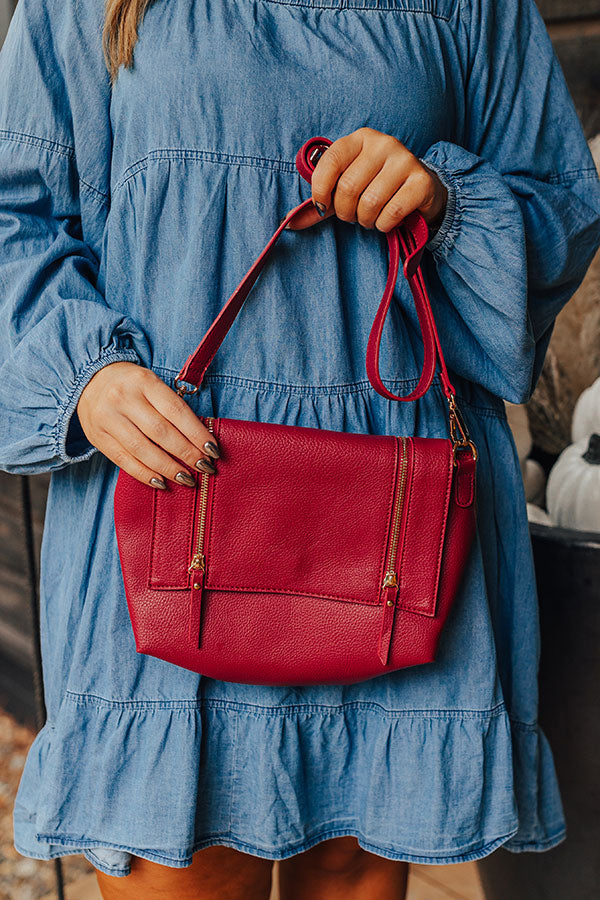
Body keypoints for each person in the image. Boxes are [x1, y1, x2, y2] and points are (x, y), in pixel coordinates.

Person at [1, 0, 599, 897]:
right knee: (177, 866)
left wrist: (443, 202)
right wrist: (83, 374)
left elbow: (559, 202)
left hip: (392, 521)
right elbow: (14, 209)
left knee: (354, 862)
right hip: (170, 503)